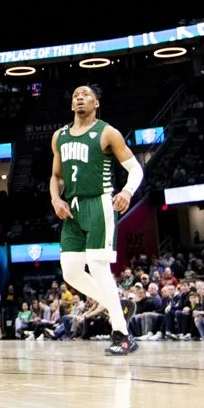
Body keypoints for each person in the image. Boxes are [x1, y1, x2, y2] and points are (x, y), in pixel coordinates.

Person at [50, 84, 144, 357]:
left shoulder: (107, 132)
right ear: (71, 105)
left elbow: (135, 169)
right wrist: (56, 199)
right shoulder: (59, 136)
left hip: (99, 203)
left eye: (86, 95)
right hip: (72, 207)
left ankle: (123, 334)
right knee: (70, 272)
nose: (79, 97)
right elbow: (56, 176)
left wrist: (126, 191)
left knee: (98, 267)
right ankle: (118, 305)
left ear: (96, 103)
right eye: (75, 95)